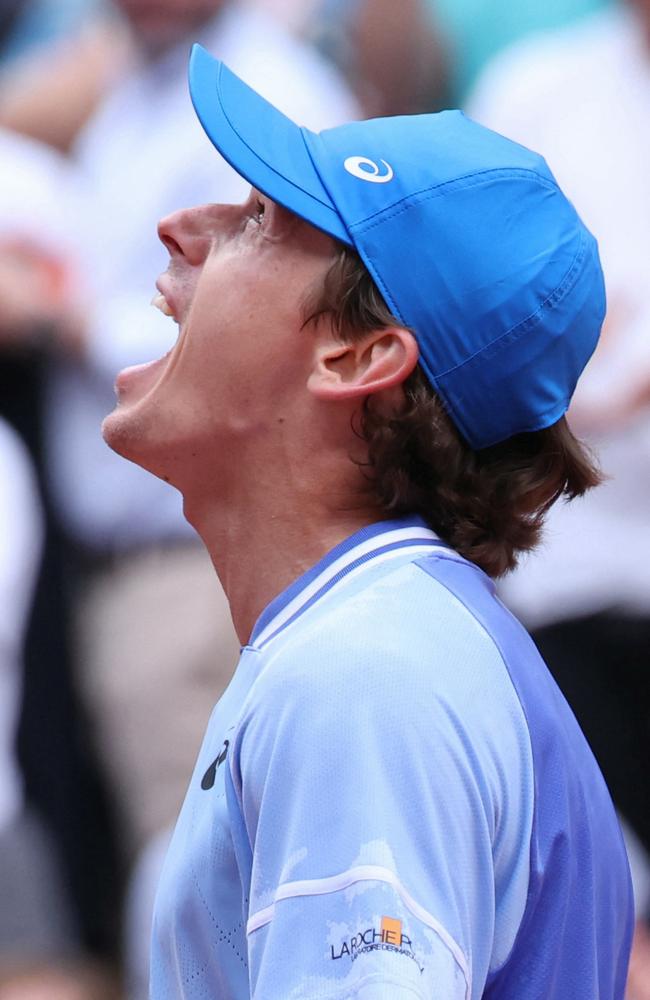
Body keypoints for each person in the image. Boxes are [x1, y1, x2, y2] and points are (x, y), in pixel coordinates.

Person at [102, 49, 633, 998]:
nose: (181, 227)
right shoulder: (379, 643)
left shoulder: (364, 669)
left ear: (357, 359)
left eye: (260, 219)